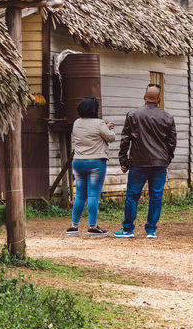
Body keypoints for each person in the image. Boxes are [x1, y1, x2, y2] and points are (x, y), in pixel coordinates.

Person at [114, 84, 176, 239]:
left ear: (144, 97)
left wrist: (123, 160)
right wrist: (167, 158)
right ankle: (151, 230)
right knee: (156, 196)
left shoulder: (133, 115)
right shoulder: (167, 117)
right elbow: (172, 142)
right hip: (159, 163)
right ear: (159, 100)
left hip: (138, 162)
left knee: (132, 196)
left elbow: (125, 140)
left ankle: (128, 229)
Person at [67, 97, 116, 237]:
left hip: (78, 162)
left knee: (80, 195)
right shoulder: (99, 123)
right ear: (94, 109)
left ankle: (73, 226)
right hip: (95, 163)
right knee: (93, 195)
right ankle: (92, 227)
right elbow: (111, 138)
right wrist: (107, 128)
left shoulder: (76, 123)